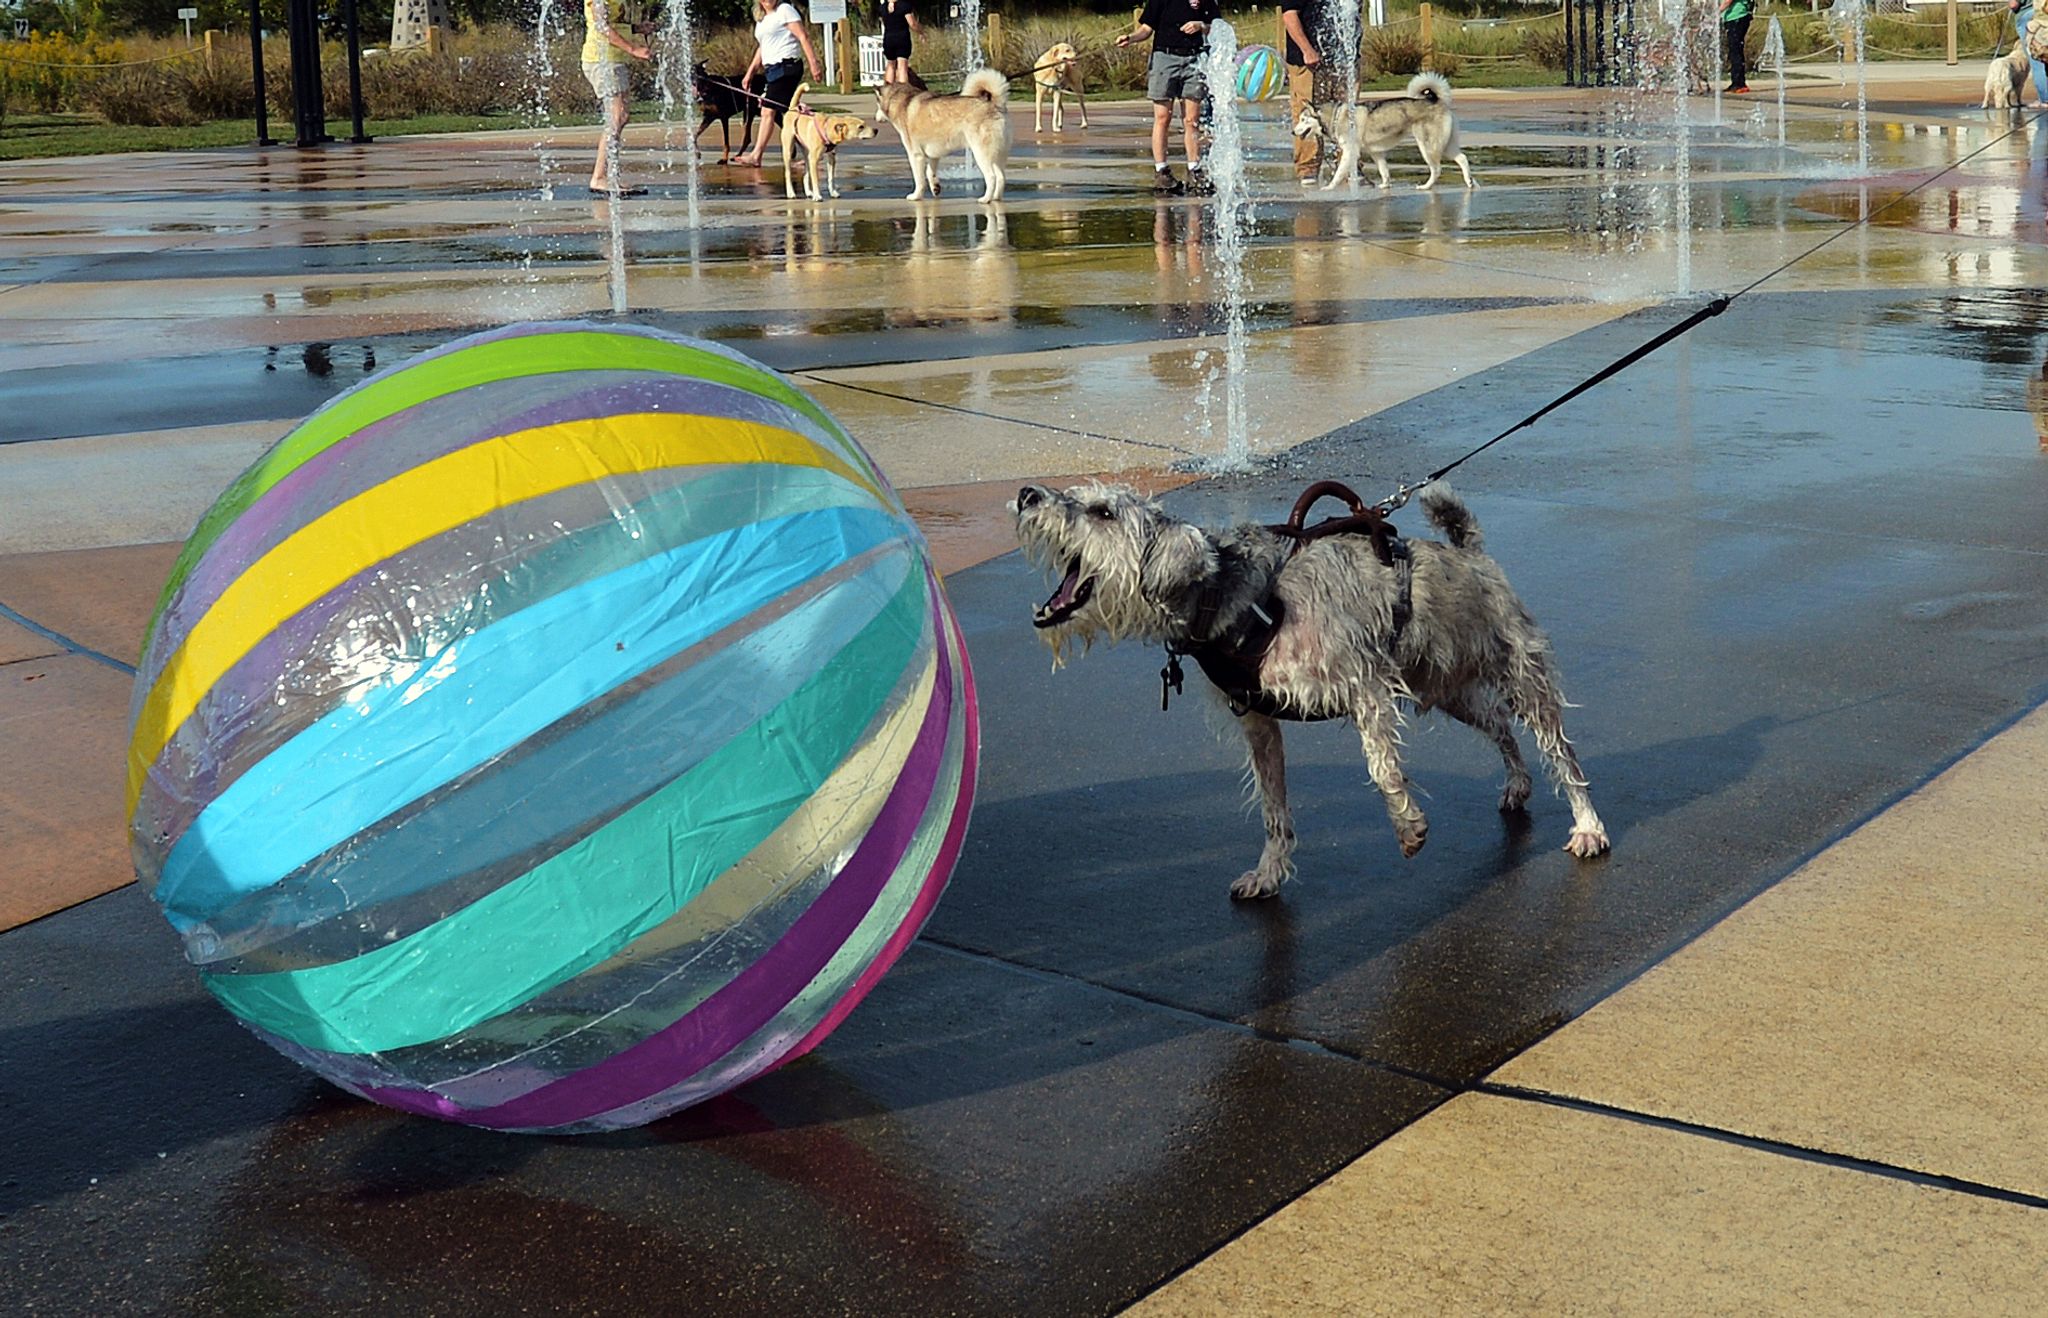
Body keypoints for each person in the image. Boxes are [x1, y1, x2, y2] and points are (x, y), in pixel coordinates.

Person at [1117, 0, 1221, 196]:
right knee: (1163, 117)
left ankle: (1194, 169)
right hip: (1165, 58)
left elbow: (1217, 27)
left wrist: (1201, 26)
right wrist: (1130, 38)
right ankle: (1162, 170)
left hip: (1195, 59)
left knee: (1191, 120)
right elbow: (1147, 29)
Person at [733, 0, 824, 168]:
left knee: (768, 110)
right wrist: (750, 73)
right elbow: (762, 47)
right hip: (772, 70)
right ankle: (815, 145)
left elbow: (803, 36)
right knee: (789, 110)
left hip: (787, 66)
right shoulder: (762, 18)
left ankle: (756, 155)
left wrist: (814, 64)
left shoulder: (785, 10)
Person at [582, 0, 653, 194]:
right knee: (617, 117)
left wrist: (637, 28)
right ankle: (599, 177)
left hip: (613, 61)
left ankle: (606, 175)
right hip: (601, 61)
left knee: (619, 116)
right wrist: (633, 49)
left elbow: (613, 23)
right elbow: (601, 26)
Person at [1281, 0, 1323, 186]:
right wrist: (1307, 50)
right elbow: (1289, 15)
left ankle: (1348, 165)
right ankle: (1308, 167)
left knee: (1346, 113)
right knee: (1307, 112)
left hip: (1341, 59)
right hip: (1306, 61)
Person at [2011, 0, 2048, 107]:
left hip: (2030, 17)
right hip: (2044, 13)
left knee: (2037, 59)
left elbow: (2014, 4)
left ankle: (2045, 99)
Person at [879, 0, 919, 85]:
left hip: (888, 38)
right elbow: (912, 23)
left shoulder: (883, 8)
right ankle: (902, 91)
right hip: (902, 38)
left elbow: (883, 21)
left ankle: (888, 90)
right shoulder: (904, 6)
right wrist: (921, 32)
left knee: (890, 65)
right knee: (902, 66)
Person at [1718, 0, 1752, 94]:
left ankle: (1739, 84)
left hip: (1737, 17)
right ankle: (1736, 82)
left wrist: (1716, 12)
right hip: (1732, 18)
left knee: (1736, 51)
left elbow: (1728, 1)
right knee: (1735, 51)